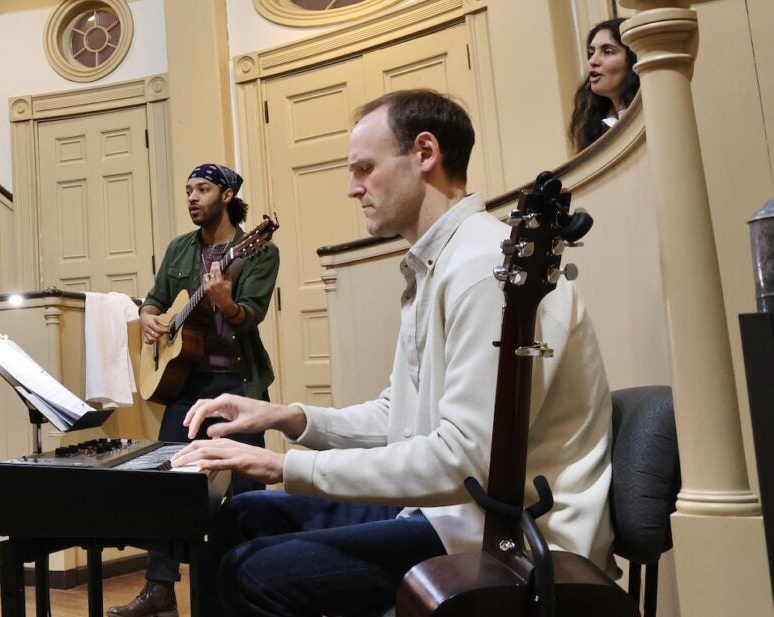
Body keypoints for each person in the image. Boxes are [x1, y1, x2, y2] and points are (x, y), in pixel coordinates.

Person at [170, 89, 613, 617]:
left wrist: (283, 466)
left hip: (502, 534)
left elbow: (464, 461)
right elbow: (399, 415)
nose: (351, 188)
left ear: (425, 153)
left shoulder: (478, 270)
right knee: (237, 516)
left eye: (364, 168)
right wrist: (286, 416)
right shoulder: (438, 264)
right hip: (447, 512)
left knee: (256, 573)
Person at [108, 163, 278, 617]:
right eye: (188, 191)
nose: (192, 198)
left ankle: (242, 590)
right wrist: (148, 317)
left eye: (202, 189)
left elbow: (251, 315)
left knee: (243, 489)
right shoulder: (180, 249)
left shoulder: (257, 250)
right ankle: (160, 589)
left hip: (236, 384)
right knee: (168, 485)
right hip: (186, 384)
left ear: (226, 195)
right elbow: (155, 299)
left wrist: (225, 301)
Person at [567, 18, 640, 153]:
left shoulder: (648, 116)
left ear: (633, 59)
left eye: (607, 52)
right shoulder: (596, 127)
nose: (592, 61)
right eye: (591, 53)